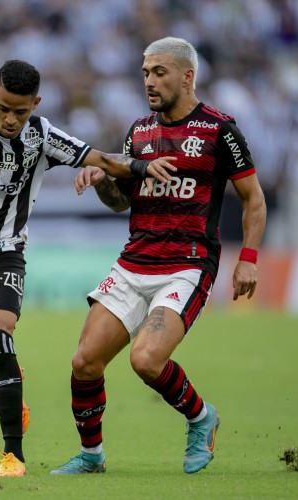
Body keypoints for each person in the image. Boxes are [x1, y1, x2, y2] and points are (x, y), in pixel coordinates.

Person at [0, 59, 175, 478]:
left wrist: (141, 167)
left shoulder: (41, 135)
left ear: (36, 103)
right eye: (4, 109)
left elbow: (100, 157)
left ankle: (13, 457)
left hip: (4, 253)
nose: (12, 119)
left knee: (0, 333)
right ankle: (7, 387)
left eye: (22, 111)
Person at [51, 36, 267, 475]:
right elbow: (121, 201)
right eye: (146, 72)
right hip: (134, 261)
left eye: (159, 72)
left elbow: (254, 199)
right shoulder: (140, 132)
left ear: (187, 76)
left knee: (146, 360)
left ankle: (201, 417)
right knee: (84, 361)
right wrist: (101, 180)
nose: (149, 81)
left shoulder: (220, 130)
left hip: (187, 265)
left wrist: (248, 258)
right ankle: (91, 455)